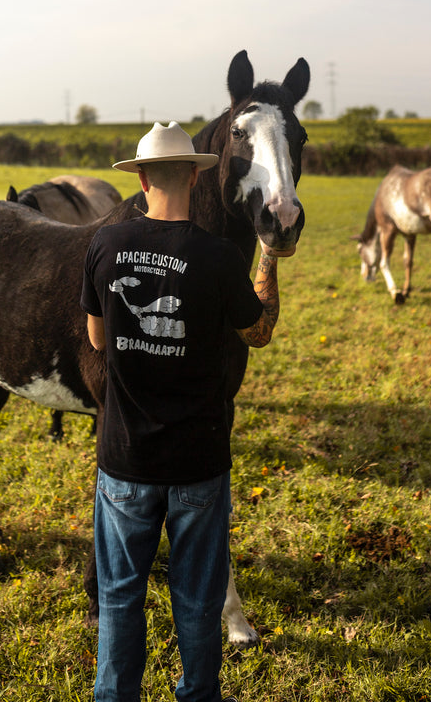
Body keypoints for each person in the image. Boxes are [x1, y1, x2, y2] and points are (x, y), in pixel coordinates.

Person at [81, 121, 290, 702]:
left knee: (121, 592)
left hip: (124, 461)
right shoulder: (221, 257)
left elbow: (98, 341)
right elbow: (259, 331)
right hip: (199, 461)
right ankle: (198, 694)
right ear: (196, 175)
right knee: (197, 596)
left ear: (142, 178)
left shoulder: (105, 244)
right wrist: (269, 256)